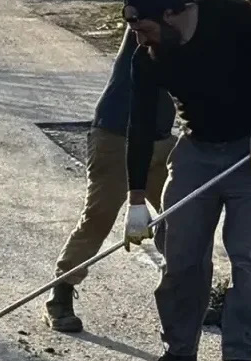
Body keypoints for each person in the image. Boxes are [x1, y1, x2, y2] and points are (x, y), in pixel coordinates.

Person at [122, 0, 251, 361]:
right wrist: (136, 201)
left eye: (143, 29)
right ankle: (180, 350)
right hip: (196, 151)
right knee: (180, 254)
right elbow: (141, 127)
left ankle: (243, 358)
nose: (140, 39)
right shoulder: (148, 56)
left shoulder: (229, 16)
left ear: (169, 13)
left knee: (250, 256)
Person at [43, 26, 177, 333]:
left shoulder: (195, 33)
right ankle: (59, 294)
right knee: (99, 217)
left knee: (182, 214)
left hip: (160, 139)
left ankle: (185, 287)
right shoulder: (150, 24)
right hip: (116, 136)